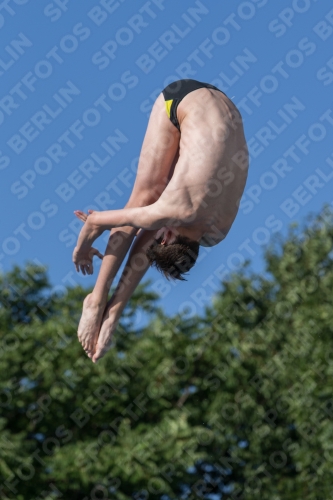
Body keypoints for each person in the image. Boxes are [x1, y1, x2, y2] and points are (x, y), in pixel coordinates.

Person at [72, 79, 249, 363]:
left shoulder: (218, 232)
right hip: (181, 97)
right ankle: (97, 299)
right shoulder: (177, 209)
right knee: (145, 196)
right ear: (166, 238)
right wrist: (82, 250)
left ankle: (115, 311)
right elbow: (95, 223)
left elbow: (155, 226)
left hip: (225, 105)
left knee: (153, 211)